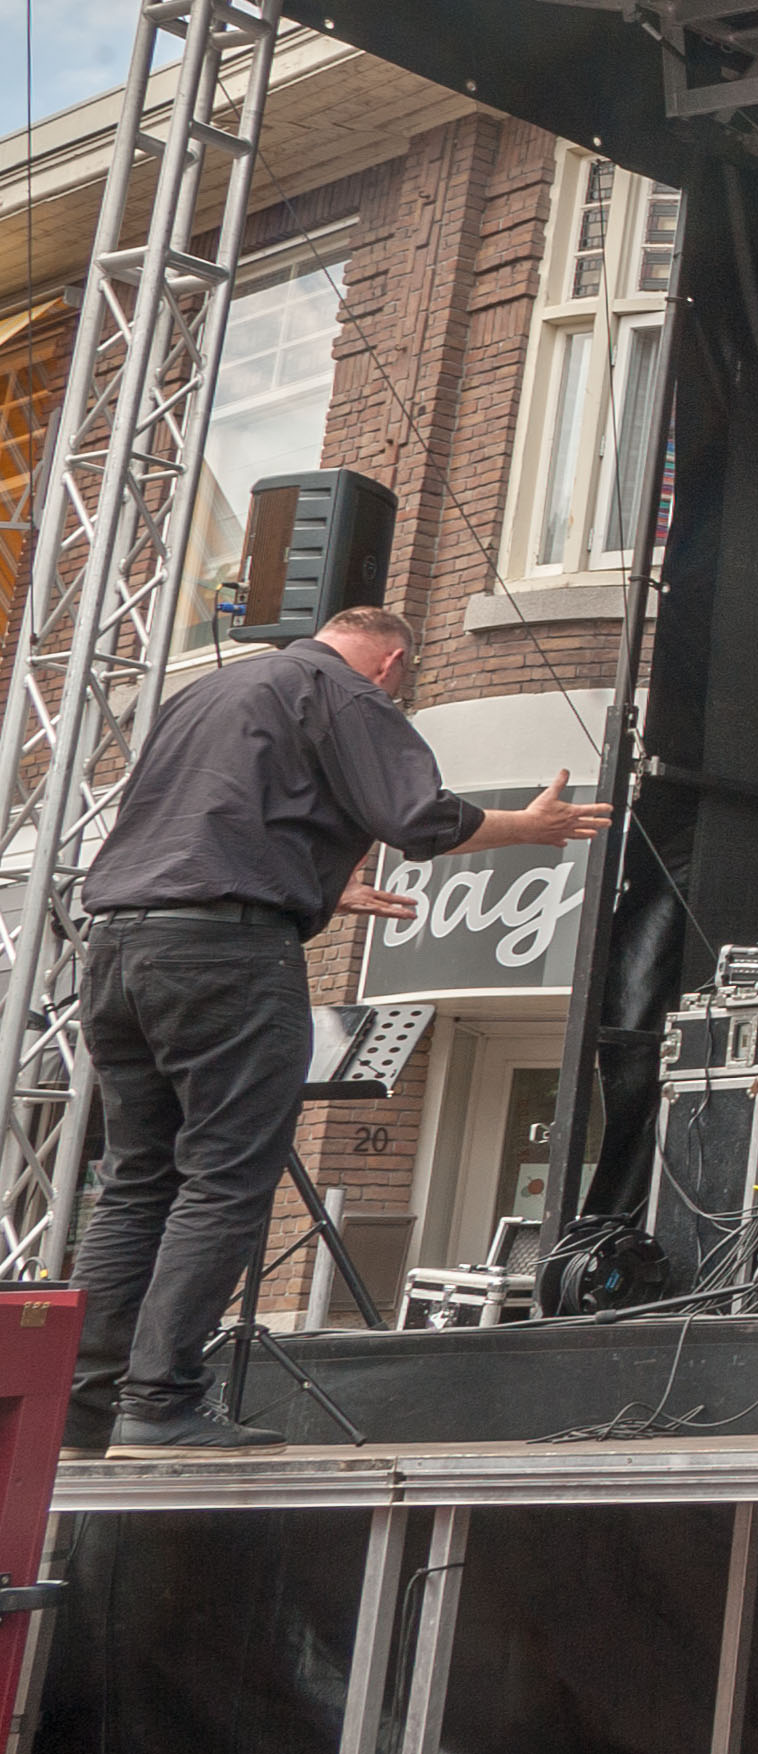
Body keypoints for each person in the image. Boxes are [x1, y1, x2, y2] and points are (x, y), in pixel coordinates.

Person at [71, 609, 606, 1452]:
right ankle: (159, 1401)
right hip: (226, 956)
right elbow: (422, 821)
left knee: (138, 1184)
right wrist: (527, 829)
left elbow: (198, 826)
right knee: (225, 1179)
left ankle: (79, 1408)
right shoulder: (342, 689)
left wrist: (317, 884)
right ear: (392, 663)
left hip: (118, 948)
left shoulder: (205, 693)